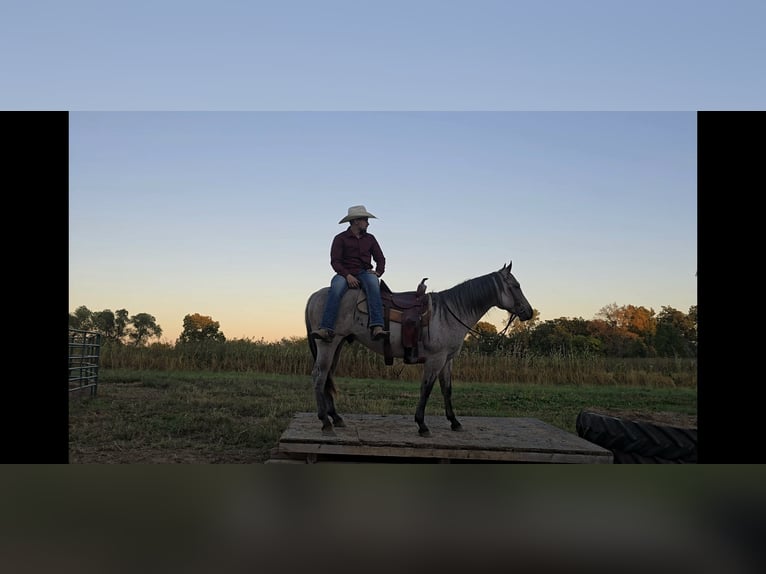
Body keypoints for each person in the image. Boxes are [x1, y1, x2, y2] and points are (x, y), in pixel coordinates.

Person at [311, 205, 390, 342]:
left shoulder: (370, 239)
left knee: (373, 284)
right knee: (335, 289)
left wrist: (378, 272)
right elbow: (335, 261)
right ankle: (326, 328)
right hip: (344, 272)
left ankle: (377, 326)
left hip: (364, 272)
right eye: (365, 219)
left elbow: (380, 258)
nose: (368, 223)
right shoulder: (340, 238)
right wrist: (347, 275)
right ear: (355, 221)